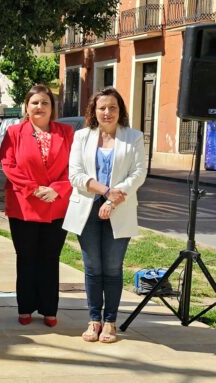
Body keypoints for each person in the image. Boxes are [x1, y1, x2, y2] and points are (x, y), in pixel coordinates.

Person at [63, 87, 146, 343]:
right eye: (102, 108)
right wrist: (106, 191)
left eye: (112, 107)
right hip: (87, 208)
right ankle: (93, 320)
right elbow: (75, 175)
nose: (107, 112)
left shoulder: (134, 137)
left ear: (120, 110)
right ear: (94, 111)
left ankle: (110, 321)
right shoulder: (81, 137)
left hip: (119, 210)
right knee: (92, 268)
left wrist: (114, 198)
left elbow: (138, 173)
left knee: (112, 268)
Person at [0, 84, 74, 327]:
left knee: (50, 259)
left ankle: (50, 309)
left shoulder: (66, 132)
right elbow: (9, 165)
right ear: (26, 107)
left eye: (45, 103)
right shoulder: (14, 133)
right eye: (35, 103)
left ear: (53, 108)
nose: (39, 107)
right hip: (24, 206)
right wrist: (35, 188)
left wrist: (57, 189)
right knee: (26, 258)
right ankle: (26, 307)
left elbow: (74, 166)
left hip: (56, 205)